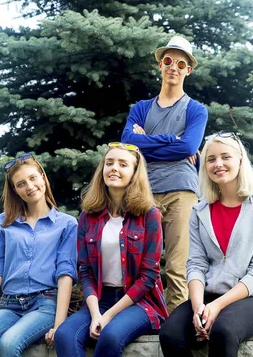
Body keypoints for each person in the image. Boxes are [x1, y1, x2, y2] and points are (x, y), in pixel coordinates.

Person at [159, 133, 253, 357]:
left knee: (223, 331)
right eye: (211, 159)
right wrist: (198, 306)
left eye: (226, 157)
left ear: (240, 160)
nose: (218, 164)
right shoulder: (199, 211)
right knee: (170, 334)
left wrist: (217, 307)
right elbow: (195, 264)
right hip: (205, 297)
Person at [54, 142, 168, 357]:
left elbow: (148, 276)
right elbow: (85, 270)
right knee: (64, 335)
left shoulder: (149, 215)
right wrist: (96, 312)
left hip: (140, 303)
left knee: (110, 336)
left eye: (123, 164)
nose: (114, 168)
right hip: (100, 299)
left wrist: (108, 316)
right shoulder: (88, 217)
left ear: (134, 174)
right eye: (109, 163)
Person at [121, 35, 208, 312]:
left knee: (177, 266)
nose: (174, 67)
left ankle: (175, 330)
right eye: (169, 60)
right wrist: (173, 141)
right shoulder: (140, 109)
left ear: (188, 70)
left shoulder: (196, 110)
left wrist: (147, 142)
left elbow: (190, 146)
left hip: (181, 192)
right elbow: (127, 146)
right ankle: (142, 320)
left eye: (181, 63)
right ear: (160, 64)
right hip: (142, 192)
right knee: (138, 265)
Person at [0, 153, 77, 357]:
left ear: (42, 177)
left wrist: (59, 325)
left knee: (8, 343)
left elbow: (66, 274)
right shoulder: (5, 222)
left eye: (33, 178)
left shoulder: (66, 224)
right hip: (9, 304)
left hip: (44, 304)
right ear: (15, 191)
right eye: (21, 184)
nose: (30, 186)